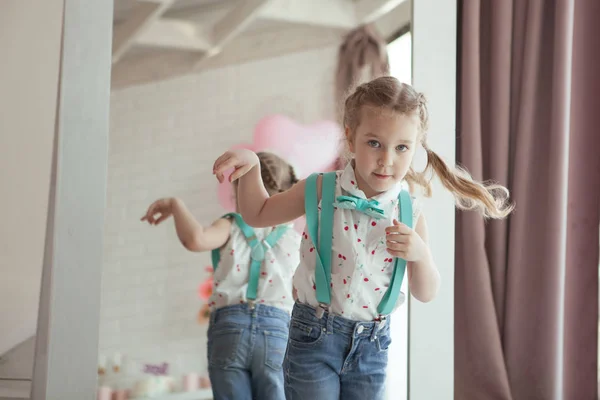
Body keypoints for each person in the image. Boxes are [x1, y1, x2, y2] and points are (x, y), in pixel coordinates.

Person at [212, 76, 513, 400]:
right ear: (350, 137)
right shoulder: (321, 188)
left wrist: (421, 255)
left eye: (401, 147)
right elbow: (258, 213)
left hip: (373, 345)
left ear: (416, 147)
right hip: (313, 336)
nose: (387, 159)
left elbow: (426, 292)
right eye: (374, 143)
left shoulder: (408, 208)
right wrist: (252, 165)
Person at [141, 152, 302, 400]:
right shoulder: (293, 238)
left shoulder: (231, 225)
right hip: (277, 330)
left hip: (230, 326)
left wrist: (176, 205)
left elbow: (195, 239)